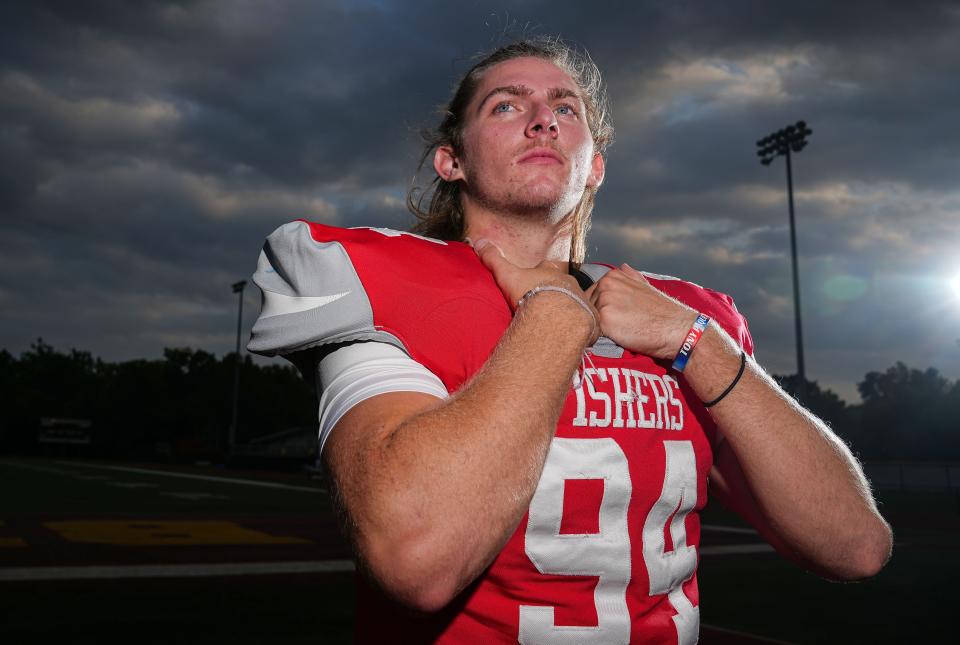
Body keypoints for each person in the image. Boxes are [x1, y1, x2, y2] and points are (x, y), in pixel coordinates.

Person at [248, 37, 891, 644]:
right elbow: (417, 559)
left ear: (596, 166)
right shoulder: (384, 280)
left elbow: (855, 546)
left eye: (565, 107)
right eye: (507, 105)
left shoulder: (684, 317)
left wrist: (698, 340)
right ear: (453, 160)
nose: (543, 120)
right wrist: (555, 314)